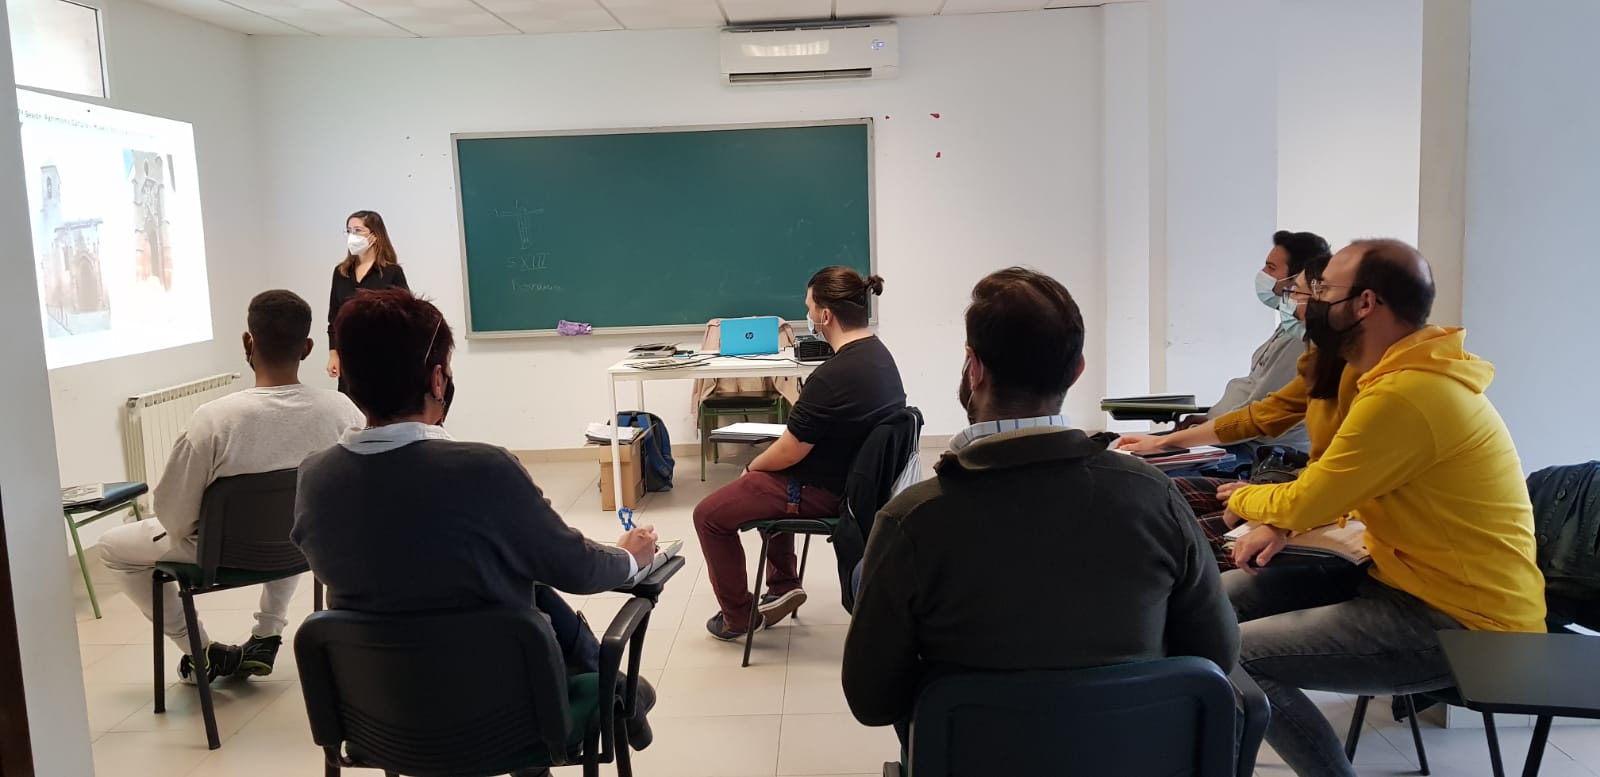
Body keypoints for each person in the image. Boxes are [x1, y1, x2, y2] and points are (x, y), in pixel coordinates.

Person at [841, 267, 1238, 735]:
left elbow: (872, 701)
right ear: (1078, 369)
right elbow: (1217, 654)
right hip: (1134, 755)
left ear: (974, 368)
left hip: (977, 758)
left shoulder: (912, 521)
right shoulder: (1154, 496)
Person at [1219, 239, 1545, 777]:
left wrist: (1242, 497)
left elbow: (1308, 497)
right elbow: (1331, 488)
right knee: (1220, 600)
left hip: (1463, 621)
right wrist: (1279, 518)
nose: (1307, 301)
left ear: (1365, 304)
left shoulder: (1406, 395)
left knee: (1239, 659)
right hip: (1399, 580)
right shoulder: (1393, 379)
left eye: (1323, 290)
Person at [292, 287, 660, 749]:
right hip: (509, 714)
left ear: (347, 378)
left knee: (516, 581)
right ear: (438, 380)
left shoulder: (315, 478)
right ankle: (622, 695)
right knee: (524, 583)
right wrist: (629, 559)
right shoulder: (485, 470)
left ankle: (619, 695)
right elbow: (576, 568)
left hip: (377, 717)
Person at [98, 290, 363, 683]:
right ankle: (267, 634)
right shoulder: (342, 411)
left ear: (247, 343)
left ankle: (199, 651)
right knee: (294, 515)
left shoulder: (214, 420)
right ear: (307, 348)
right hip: (307, 546)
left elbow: (173, 515)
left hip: (221, 553)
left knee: (111, 547)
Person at [692, 266, 906, 640]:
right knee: (764, 477)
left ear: (826, 315)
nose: (808, 315)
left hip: (825, 491)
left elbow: (790, 452)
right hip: (859, 483)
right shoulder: (880, 356)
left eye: (809, 308)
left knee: (709, 515)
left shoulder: (831, 376)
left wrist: (752, 468)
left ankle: (738, 616)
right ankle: (783, 586)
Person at [1175, 230, 1331, 461]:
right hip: (1234, 437)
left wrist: (1190, 437)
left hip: (1256, 450)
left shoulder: (1303, 341)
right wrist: (1208, 423)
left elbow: (1260, 416)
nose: (1263, 274)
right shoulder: (1289, 326)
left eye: (1271, 268)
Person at [326, 210, 408, 390]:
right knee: (349, 403)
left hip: (382, 356)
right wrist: (333, 354)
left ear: (375, 236)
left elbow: (405, 316)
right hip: (349, 356)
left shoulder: (392, 272)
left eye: (358, 231)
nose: (352, 236)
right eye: (349, 231)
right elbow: (334, 317)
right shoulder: (341, 272)